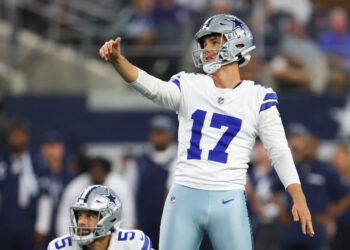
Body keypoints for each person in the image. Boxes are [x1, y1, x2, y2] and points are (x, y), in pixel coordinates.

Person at [99, 14, 314, 250]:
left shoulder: (258, 97)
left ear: (237, 44)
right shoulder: (190, 85)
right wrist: (119, 61)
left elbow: (279, 151)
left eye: (214, 42)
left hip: (229, 198)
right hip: (183, 197)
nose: (206, 50)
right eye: (204, 44)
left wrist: (298, 195)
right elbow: (153, 88)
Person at [47, 185, 153, 250]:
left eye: (89, 216)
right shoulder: (60, 247)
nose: (81, 222)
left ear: (110, 219)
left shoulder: (132, 244)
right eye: (79, 215)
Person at [126, 115, 177, 248]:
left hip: (172, 224)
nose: (158, 137)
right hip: (145, 224)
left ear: (170, 135)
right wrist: (132, 222)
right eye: (155, 133)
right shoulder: (139, 161)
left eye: (161, 133)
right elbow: (129, 194)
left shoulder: (180, 159)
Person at [56, 156, 135, 236]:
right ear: (89, 172)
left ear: (107, 172)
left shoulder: (120, 186)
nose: (97, 173)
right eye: (94, 170)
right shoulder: (76, 186)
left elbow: (128, 217)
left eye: (100, 170)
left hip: (113, 235)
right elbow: (64, 217)